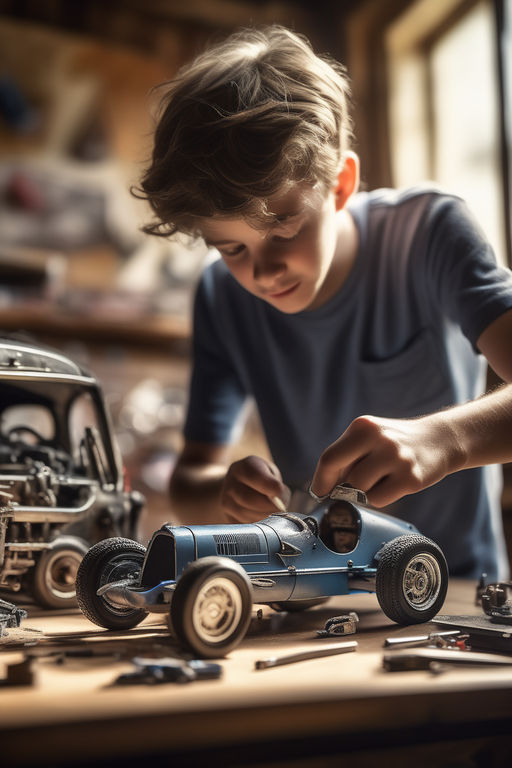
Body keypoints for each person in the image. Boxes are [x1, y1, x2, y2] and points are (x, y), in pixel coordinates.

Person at [137, 25, 512, 580]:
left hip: (453, 592)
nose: (262, 272)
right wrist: (225, 494)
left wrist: (447, 439)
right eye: (231, 247)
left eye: (284, 227)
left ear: (341, 184)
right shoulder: (220, 295)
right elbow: (188, 484)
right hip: (313, 592)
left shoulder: (428, 232)